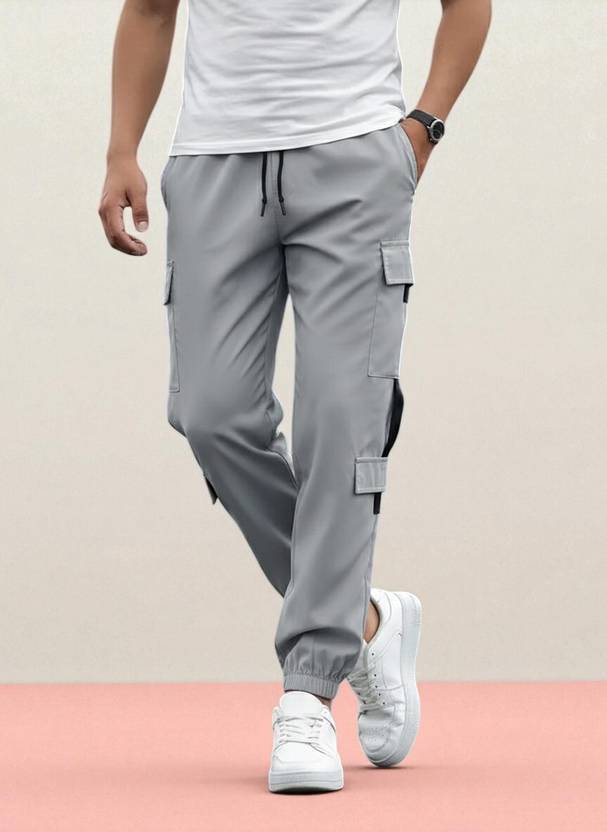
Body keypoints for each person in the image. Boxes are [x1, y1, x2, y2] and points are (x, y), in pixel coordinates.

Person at [99, 0, 491, 794]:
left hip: (355, 157)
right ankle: (363, 621)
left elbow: (468, 6)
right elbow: (149, 10)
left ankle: (307, 693)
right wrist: (121, 149)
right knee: (211, 413)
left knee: (340, 425)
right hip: (212, 163)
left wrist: (421, 129)